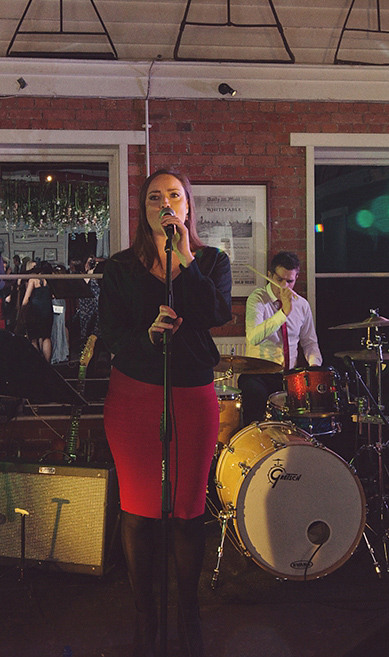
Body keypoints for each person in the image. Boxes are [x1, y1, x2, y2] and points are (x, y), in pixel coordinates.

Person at [99, 168, 232, 657]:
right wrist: (148, 336)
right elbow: (110, 332)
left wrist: (184, 259)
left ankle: (189, 613)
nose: (165, 202)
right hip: (133, 391)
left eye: (173, 195)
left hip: (192, 391)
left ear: (187, 205)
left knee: (187, 510)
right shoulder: (119, 266)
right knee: (137, 509)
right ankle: (144, 615)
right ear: (144, 208)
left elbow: (216, 313)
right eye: (155, 197)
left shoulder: (212, 260)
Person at [238, 250, 323, 424]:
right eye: (279, 280)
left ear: (296, 278)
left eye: (289, 281)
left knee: (304, 415)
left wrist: (314, 368)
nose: (284, 286)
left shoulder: (302, 304)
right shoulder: (257, 299)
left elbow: (309, 342)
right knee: (254, 403)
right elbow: (253, 337)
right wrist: (283, 313)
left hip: (288, 375)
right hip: (258, 374)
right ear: (270, 275)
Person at [18, 260, 54, 361]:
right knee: (46, 336)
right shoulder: (51, 280)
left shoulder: (33, 280)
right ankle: (47, 363)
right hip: (47, 308)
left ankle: (37, 361)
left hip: (35, 309)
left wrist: (21, 312)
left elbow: (26, 298)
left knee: (33, 337)